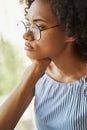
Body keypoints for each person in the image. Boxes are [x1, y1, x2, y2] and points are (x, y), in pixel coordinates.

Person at [0, 0, 87, 130]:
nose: (26, 35)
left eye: (39, 27)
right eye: (28, 24)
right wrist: (34, 71)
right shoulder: (37, 73)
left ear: (71, 32)